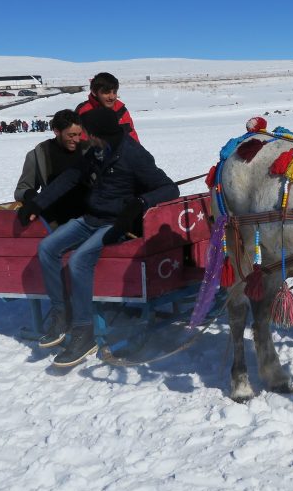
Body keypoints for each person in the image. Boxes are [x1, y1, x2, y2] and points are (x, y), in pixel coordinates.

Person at [17, 107, 178, 368]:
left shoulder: (133, 154)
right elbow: (70, 178)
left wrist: (139, 203)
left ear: (99, 133)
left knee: (80, 260)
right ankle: (61, 312)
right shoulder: (97, 151)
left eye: (88, 133)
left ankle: (85, 330)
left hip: (116, 223)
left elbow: (170, 188)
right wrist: (37, 203)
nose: (83, 138)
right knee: (47, 247)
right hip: (91, 218)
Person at [13, 109, 87, 225]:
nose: (77, 140)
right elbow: (21, 189)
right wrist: (30, 194)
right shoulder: (38, 155)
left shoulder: (88, 151)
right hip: (54, 222)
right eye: (71, 135)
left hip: (87, 219)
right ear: (57, 131)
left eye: (79, 134)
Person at [75, 72, 139, 143]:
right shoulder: (84, 112)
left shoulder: (121, 110)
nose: (112, 97)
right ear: (94, 92)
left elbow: (133, 139)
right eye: (106, 92)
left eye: (114, 92)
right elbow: (80, 144)